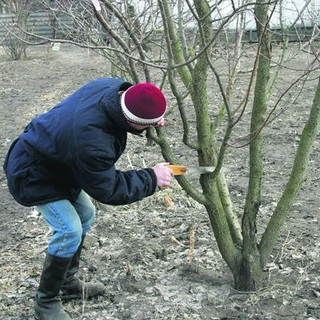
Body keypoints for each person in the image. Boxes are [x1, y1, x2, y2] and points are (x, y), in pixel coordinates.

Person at [3, 79, 173, 320]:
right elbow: (109, 189)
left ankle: (67, 282)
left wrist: (150, 116)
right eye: (149, 124)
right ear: (132, 121)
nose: (156, 125)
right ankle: (46, 301)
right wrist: (151, 177)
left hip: (59, 160)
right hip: (34, 172)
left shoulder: (112, 89)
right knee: (69, 230)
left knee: (86, 214)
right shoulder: (91, 140)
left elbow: (136, 104)